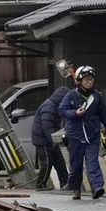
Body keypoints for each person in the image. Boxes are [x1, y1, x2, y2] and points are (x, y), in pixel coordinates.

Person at [60, 65, 106, 201]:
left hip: (92, 135)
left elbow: (104, 114)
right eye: (86, 79)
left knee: (92, 162)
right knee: (76, 164)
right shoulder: (71, 95)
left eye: (91, 79)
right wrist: (74, 113)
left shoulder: (97, 97)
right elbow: (62, 110)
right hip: (74, 136)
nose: (89, 82)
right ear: (79, 81)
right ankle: (76, 188)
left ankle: (96, 187)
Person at [31, 60, 74, 190]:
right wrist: (53, 141)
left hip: (49, 138)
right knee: (47, 162)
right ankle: (40, 184)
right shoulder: (49, 106)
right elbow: (46, 126)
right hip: (42, 139)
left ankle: (65, 183)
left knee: (59, 161)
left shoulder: (54, 105)